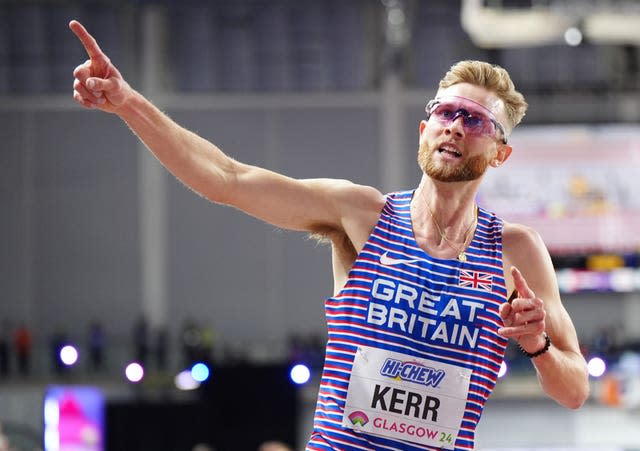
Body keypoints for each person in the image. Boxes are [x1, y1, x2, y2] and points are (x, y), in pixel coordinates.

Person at [69, 19, 589, 451]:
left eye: (474, 120)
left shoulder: (515, 251)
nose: (454, 126)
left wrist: (538, 345)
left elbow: (575, 389)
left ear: (500, 152)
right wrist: (128, 102)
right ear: (423, 128)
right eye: (444, 112)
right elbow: (227, 179)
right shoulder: (360, 214)